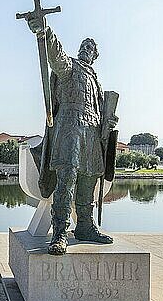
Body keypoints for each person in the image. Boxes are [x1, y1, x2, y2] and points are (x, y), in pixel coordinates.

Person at [27, 16, 118, 255]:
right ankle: (59, 232)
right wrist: (45, 31)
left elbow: (100, 109)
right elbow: (55, 55)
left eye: (90, 48)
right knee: (66, 178)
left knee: (89, 179)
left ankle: (85, 227)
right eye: (83, 47)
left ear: (95, 55)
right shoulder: (70, 68)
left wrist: (109, 121)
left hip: (92, 132)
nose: (85, 50)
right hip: (69, 126)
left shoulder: (96, 82)